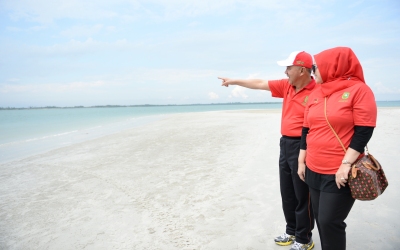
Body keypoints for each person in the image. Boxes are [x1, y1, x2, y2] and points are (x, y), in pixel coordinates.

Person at [219, 51, 315, 250]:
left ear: (302, 70)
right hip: (285, 144)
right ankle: (291, 231)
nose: (285, 71)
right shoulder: (287, 85)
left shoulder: (318, 90)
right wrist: (234, 81)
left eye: (289, 68)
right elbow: (260, 83)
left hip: (305, 146)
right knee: (287, 191)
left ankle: (304, 238)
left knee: (302, 193)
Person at [298, 47, 377, 249]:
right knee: (320, 219)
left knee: (329, 221)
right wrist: (301, 160)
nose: (313, 71)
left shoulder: (359, 90)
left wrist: (346, 164)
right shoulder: (317, 92)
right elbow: (307, 129)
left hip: (340, 171)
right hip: (313, 167)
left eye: (316, 67)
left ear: (333, 66)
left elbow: (364, 130)